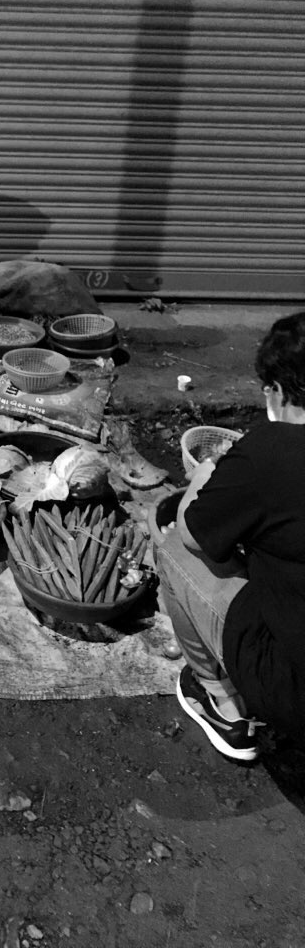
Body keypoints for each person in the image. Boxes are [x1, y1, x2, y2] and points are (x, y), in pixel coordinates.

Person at [156, 311, 305, 763]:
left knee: (173, 546)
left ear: (276, 389)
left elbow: (192, 534)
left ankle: (220, 701)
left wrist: (205, 475)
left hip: (293, 693)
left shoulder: (271, 449)